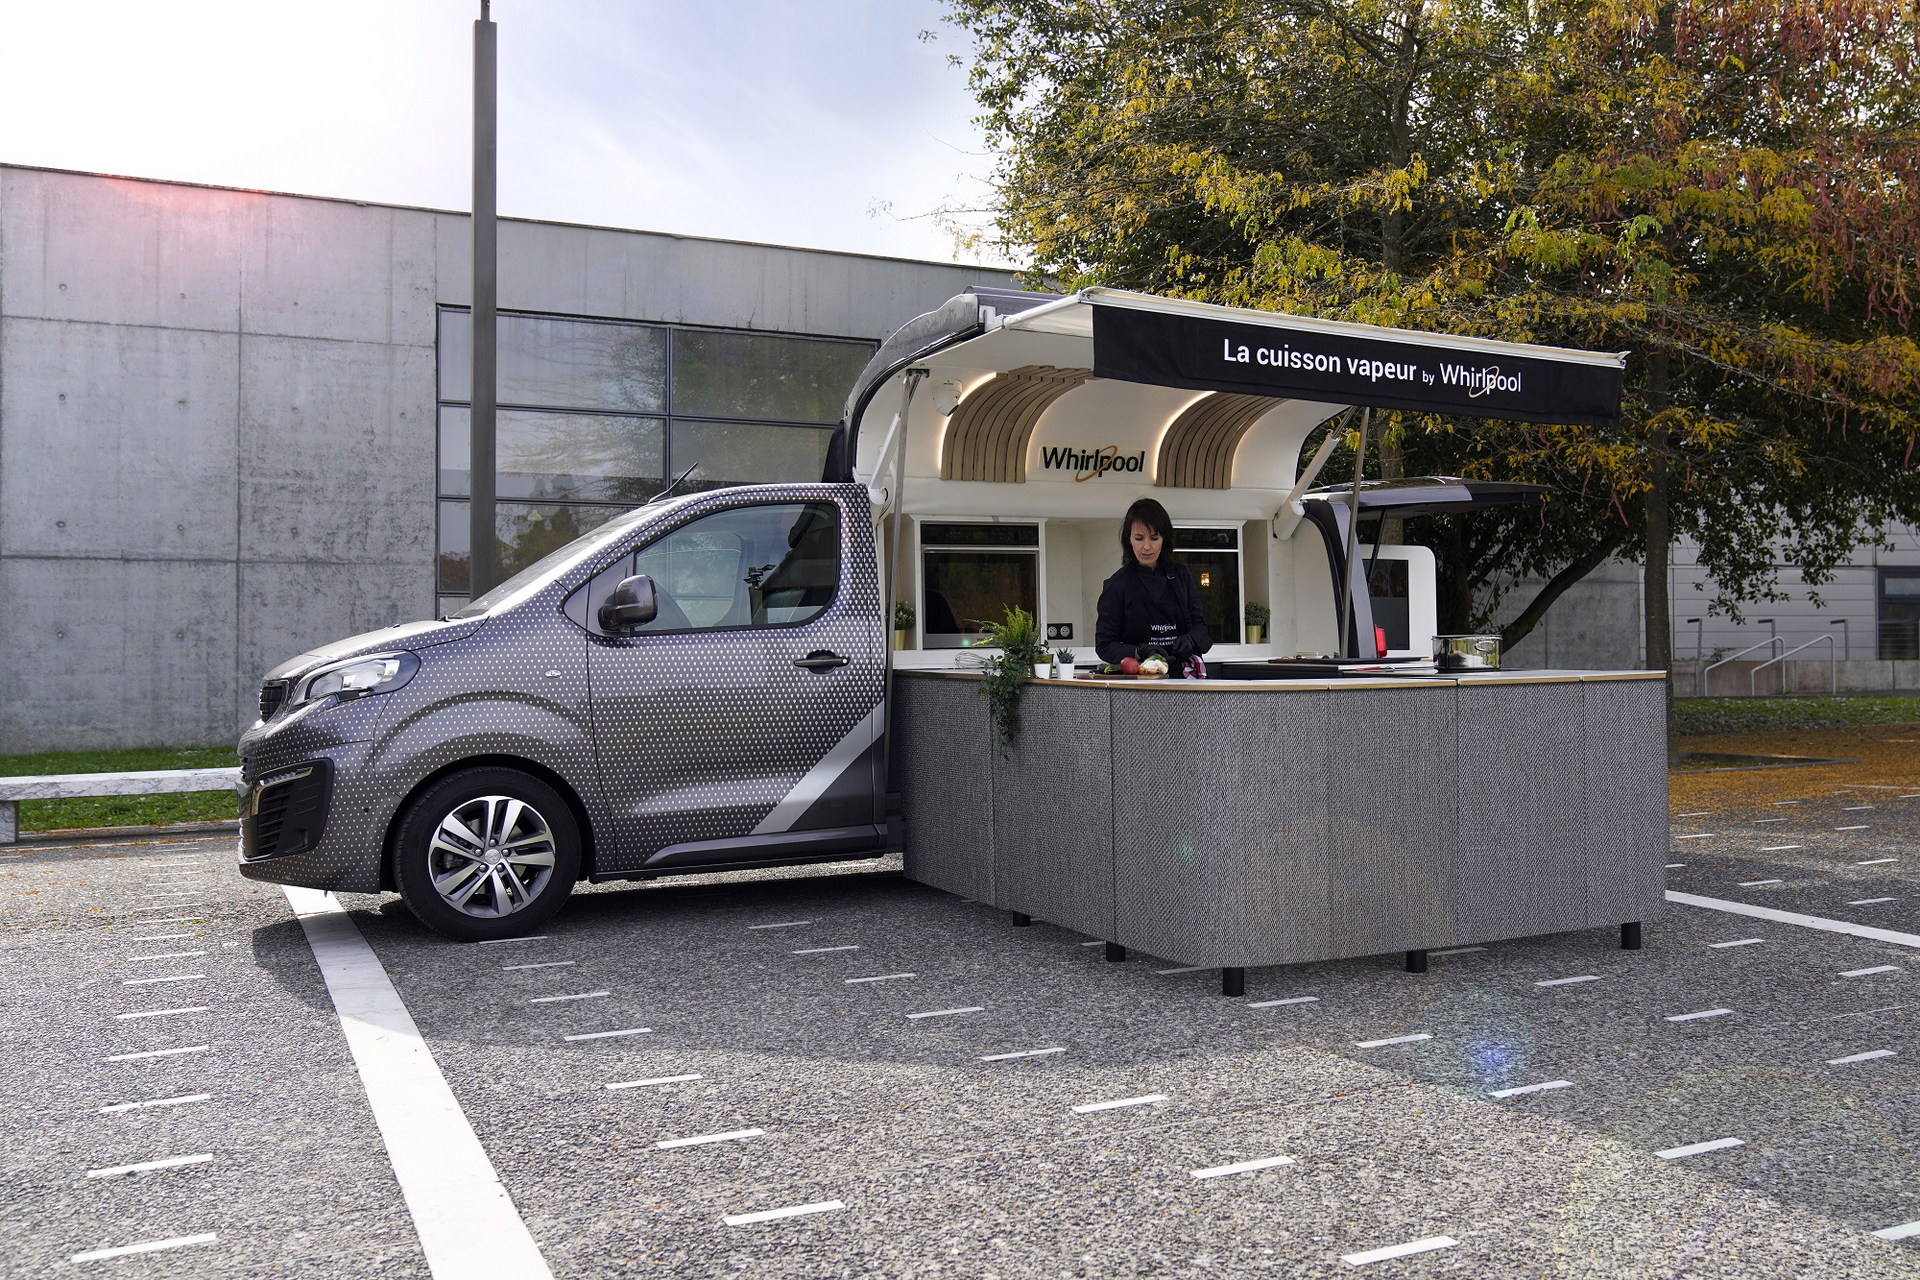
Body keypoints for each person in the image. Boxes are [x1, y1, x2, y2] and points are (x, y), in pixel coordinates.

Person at [1095, 497, 1212, 677]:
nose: (1146, 547)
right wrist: (1140, 651)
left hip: (1184, 677)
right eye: (1139, 538)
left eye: (1154, 538)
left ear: (1165, 539)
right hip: (1140, 682)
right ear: (1129, 540)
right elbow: (1104, 645)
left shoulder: (1181, 576)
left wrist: (1190, 639)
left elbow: (1200, 626)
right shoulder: (1117, 585)